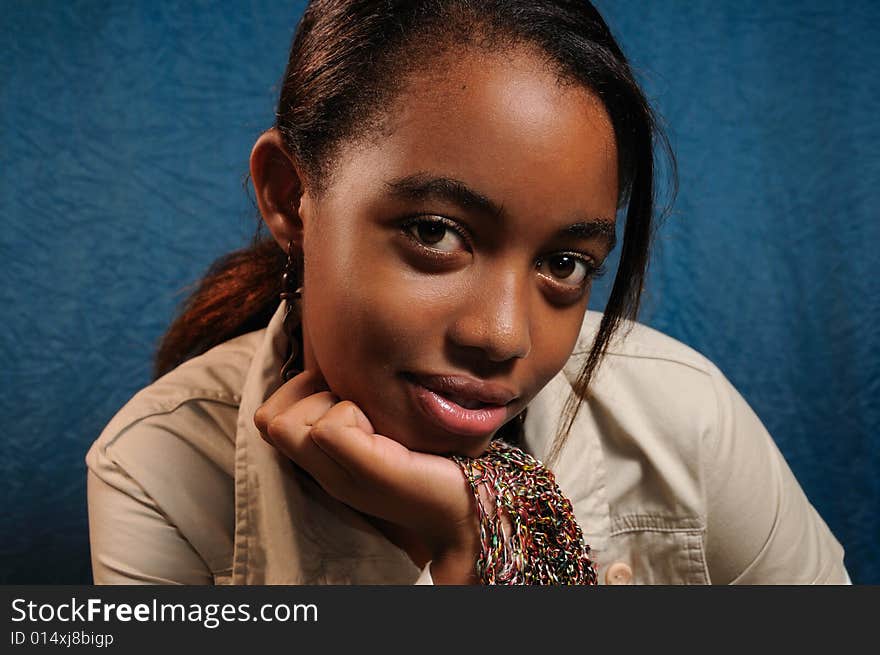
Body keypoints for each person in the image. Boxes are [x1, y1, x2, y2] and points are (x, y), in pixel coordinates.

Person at [86, 0, 848, 585]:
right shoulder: (158, 472)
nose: (504, 333)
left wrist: (483, 540)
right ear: (292, 198)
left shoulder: (687, 418)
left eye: (564, 263)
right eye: (435, 232)